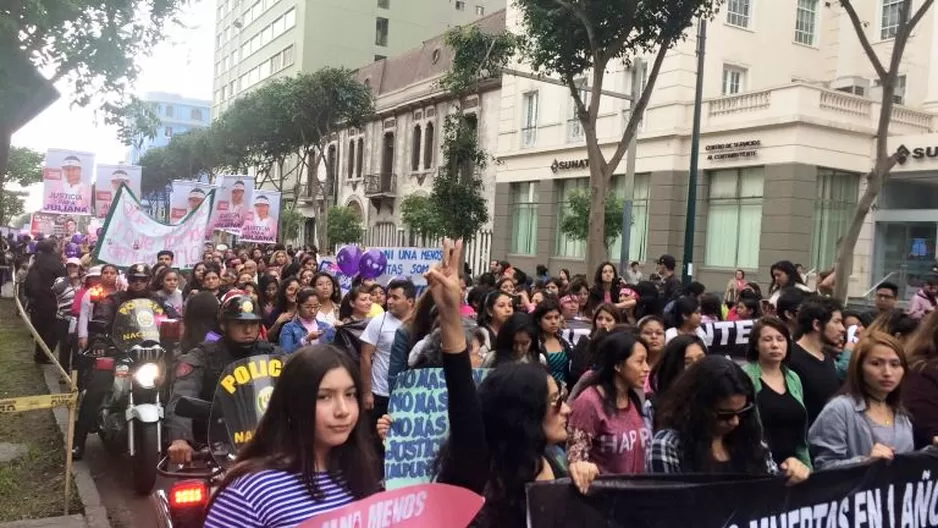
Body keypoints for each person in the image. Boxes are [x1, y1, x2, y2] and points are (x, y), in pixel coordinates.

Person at [428, 239, 599, 527]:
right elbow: (462, 393)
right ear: (524, 413)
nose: (567, 410)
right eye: (555, 401)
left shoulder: (553, 460)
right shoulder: (483, 467)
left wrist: (579, 478)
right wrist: (449, 315)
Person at [646, 356, 811, 484]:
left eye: (743, 412)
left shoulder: (751, 440)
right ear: (696, 408)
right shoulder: (670, 445)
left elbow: (769, 492)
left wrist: (789, 473)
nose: (735, 422)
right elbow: (671, 508)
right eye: (724, 415)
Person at [166, 294, 283, 464]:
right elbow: (181, 396)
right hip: (215, 445)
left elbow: (300, 392)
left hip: (270, 442)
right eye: (240, 324)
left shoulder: (274, 354)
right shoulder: (201, 357)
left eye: (253, 324)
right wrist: (180, 438)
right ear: (223, 325)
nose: (248, 330)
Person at [808, 332, 914, 469]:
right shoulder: (839, 409)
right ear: (859, 368)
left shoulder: (901, 414)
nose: (887, 372)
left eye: (895, 364)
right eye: (876, 363)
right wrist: (865, 462)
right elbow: (824, 467)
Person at [568, 330, 651, 474]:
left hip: (637, 492)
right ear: (618, 365)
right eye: (639, 361)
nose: (646, 368)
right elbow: (577, 460)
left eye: (646, 361)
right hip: (604, 493)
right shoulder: (589, 402)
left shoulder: (636, 396)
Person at [742, 318, 812, 469]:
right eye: (767, 339)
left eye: (780, 339)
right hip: (758, 468)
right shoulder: (745, 377)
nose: (775, 345)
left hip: (794, 467)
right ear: (756, 345)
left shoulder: (793, 378)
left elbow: (801, 435)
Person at [360, 279, 415, 428]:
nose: (389, 301)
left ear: (410, 301)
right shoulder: (378, 322)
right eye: (388, 296)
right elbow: (365, 356)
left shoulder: (420, 323)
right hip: (380, 393)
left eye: (395, 298)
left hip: (411, 395)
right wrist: (367, 392)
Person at [788, 296, 844, 426]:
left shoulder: (828, 358)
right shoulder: (790, 358)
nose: (842, 328)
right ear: (817, 325)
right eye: (836, 322)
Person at [280, 289, 334, 353]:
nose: (312, 311)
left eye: (316, 307)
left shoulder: (326, 327)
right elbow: (286, 353)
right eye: (308, 307)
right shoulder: (289, 328)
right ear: (298, 307)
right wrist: (306, 340)